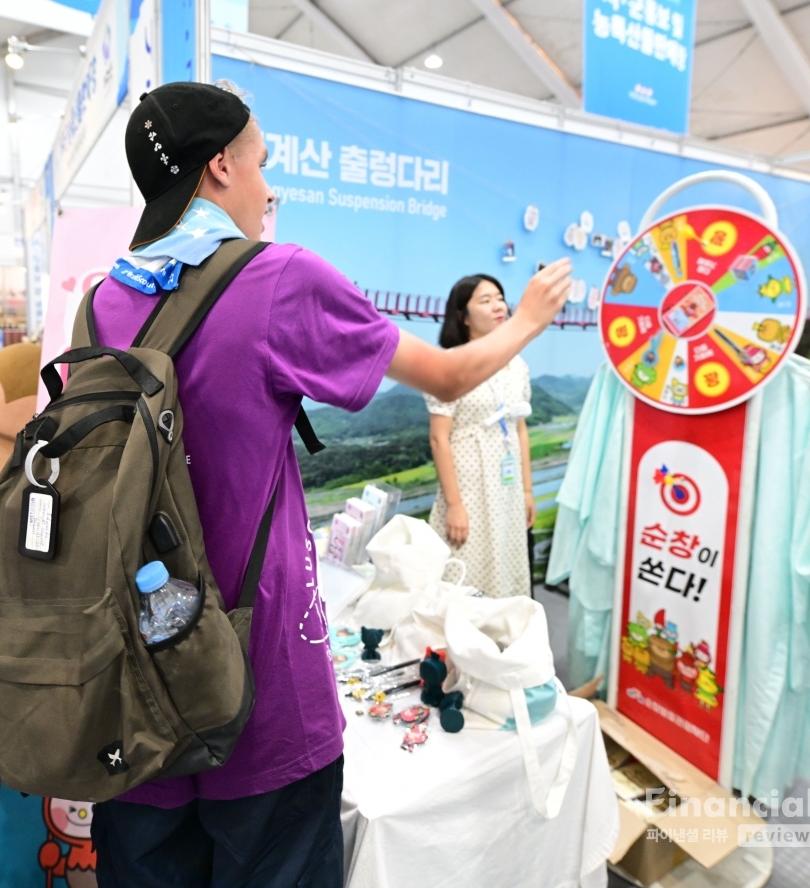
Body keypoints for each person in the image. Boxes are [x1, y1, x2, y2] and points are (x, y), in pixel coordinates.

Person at [86, 82, 572, 887]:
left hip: (134, 678)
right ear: (219, 168)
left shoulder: (101, 303)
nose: (269, 188)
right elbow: (448, 377)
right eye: (261, 164)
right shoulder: (277, 279)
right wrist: (526, 317)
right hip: (261, 679)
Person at [426, 273, 536, 597]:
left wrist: (527, 491)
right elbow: (438, 438)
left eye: (500, 298)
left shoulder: (518, 365)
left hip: (508, 484)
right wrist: (455, 504)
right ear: (463, 316)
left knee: (507, 560)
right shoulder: (450, 363)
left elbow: (520, 428)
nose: (497, 305)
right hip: (468, 486)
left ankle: (500, 640)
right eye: (485, 300)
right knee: (464, 568)